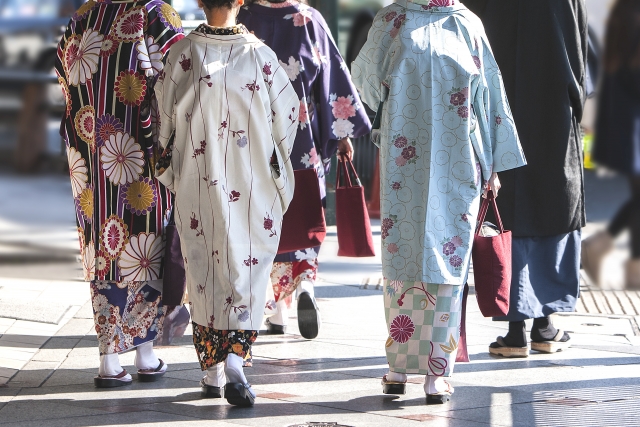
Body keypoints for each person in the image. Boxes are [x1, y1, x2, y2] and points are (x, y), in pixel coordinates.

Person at [352, 0, 526, 403]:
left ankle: (437, 370)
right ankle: (397, 363)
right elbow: (361, 83)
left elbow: (490, 97)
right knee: (401, 257)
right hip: (402, 158)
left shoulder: (468, 23)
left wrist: (494, 167)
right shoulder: (393, 18)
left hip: (460, 160)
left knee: (449, 261)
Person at [154, 0, 298, 407]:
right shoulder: (261, 57)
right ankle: (236, 359)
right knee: (247, 265)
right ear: (240, 2)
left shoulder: (181, 55)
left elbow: (163, 125)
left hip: (197, 181)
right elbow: (287, 119)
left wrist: (171, 168)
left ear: (200, 2)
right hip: (251, 180)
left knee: (203, 268)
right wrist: (274, 169)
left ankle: (211, 370)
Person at [55, 0, 184, 387]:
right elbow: (182, 73)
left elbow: (65, 84)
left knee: (103, 248)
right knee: (147, 246)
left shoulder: (79, 19)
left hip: (91, 158)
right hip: (141, 156)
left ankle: (109, 358)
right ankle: (146, 353)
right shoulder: (152, 12)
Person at [237, 0, 371, 340]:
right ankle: (306, 284)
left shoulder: (244, 16)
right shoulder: (308, 19)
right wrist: (341, 134)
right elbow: (332, 79)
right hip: (301, 142)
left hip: (255, 140)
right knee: (306, 213)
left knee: (265, 218)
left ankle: (278, 310)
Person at [462, 0, 588, 356]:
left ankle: (515, 329)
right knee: (554, 203)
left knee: (506, 211)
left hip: (498, 113)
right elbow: (577, 52)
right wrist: (576, 98)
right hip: (553, 112)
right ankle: (544, 326)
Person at [583, 0, 640, 290]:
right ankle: (632, 268)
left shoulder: (625, 14)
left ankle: (600, 245)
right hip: (632, 127)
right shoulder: (634, 17)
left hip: (626, 124)